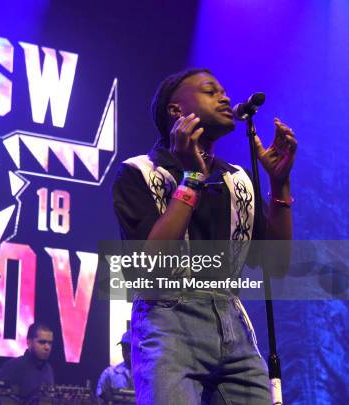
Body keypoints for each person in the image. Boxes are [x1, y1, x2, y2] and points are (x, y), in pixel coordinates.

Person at [112, 68, 296, 404]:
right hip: (168, 324)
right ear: (176, 111)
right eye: (211, 91)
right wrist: (192, 177)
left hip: (233, 324)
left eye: (224, 92)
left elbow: (277, 265)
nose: (225, 97)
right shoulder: (140, 173)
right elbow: (151, 267)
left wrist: (279, 185)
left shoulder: (237, 181)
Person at [0, 322, 55, 400]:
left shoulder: (48, 369)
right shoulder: (12, 367)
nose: (47, 347)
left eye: (50, 343)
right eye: (42, 342)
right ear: (29, 342)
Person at [96, 330, 134, 402]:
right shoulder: (109, 374)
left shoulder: (149, 374)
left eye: (129, 348)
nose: (125, 351)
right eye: (123, 347)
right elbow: (100, 400)